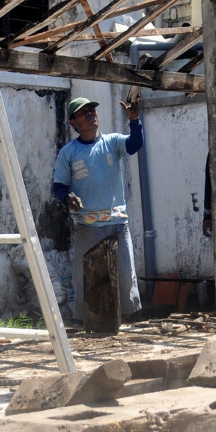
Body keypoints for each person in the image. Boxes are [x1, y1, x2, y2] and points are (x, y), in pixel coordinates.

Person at [51, 95, 142, 323]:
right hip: (87, 225)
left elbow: (134, 144)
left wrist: (134, 121)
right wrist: (68, 198)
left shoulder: (112, 142)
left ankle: (125, 319)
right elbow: (58, 187)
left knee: (124, 273)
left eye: (92, 110)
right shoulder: (69, 153)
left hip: (117, 223)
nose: (91, 114)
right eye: (84, 113)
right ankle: (87, 321)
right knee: (86, 276)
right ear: (73, 122)